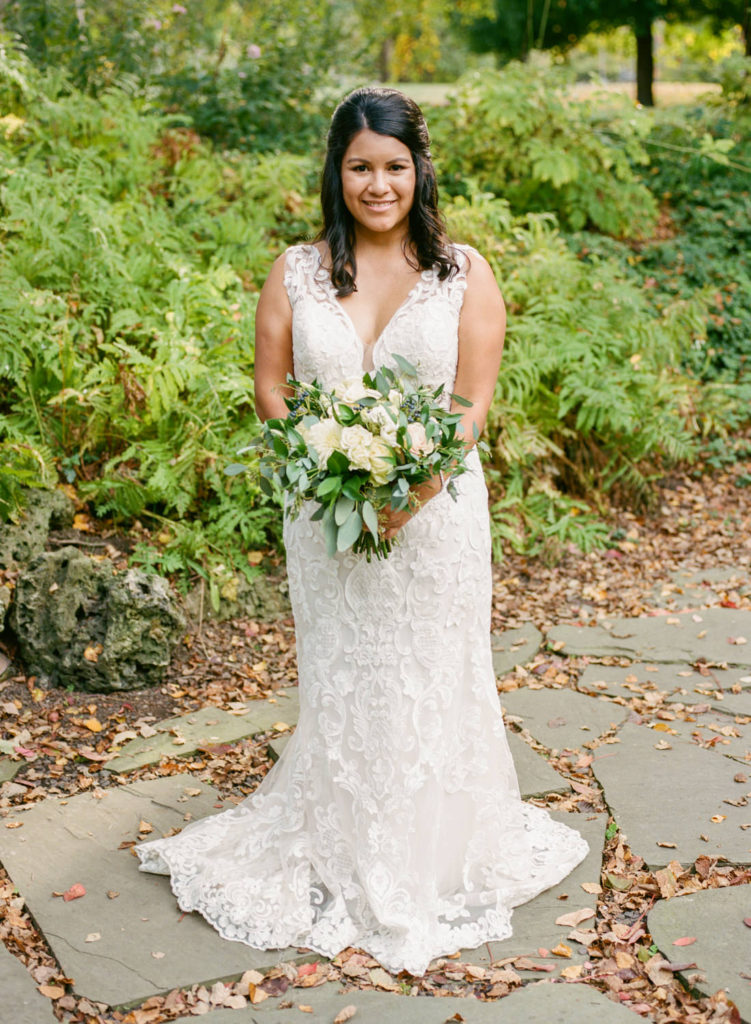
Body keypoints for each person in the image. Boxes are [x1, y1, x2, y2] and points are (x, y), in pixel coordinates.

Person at [137, 86, 588, 977]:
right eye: (359, 167)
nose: (376, 184)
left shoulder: (464, 272)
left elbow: (470, 401)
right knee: (347, 676)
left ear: (419, 171)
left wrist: (410, 490)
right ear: (335, 173)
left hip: (437, 517)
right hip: (324, 513)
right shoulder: (296, 272)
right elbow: (272, 388)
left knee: (428, 672)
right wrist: (322, 470)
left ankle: (433, 851)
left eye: (393, 166)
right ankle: (340, 839)